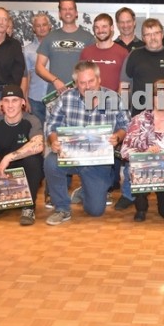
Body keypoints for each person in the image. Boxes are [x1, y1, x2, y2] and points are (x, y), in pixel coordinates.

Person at [45, 61, 130, 225]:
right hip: (70, 156)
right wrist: (54, 141)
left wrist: (118, 137)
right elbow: (52, 125)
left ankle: (85, 191)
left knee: (95, 211)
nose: (87, 86)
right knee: (51, 162)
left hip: (98, 161)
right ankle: (62, 208)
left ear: (99, 79)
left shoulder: (114, 98)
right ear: (76, 83)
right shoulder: (65, 98)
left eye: (91, 81)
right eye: (82, 83)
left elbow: (125, 125)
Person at [120, 79, 164, 222]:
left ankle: (163, 193)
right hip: (143, 173)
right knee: (138, 169)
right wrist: (144, 152)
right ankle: (141, 205)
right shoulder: (139, 120)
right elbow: (124, 150)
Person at [0, 85, 44, 226]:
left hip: (28, 171)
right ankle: (10, 202)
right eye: (6, 101)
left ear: (23, 102)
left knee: (33, 160)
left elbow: (38, 144)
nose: (10, 105)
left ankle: (28, 207)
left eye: (14, 100)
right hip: (5, 173)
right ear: (1, 104)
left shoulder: (32, 121)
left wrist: (9, 157)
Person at [36, 0, 95, 96]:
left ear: (76, 13)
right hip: (55, 95)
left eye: (70, 9)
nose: (67, 12)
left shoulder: (88, 38)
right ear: (59, 14)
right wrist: (55, 80)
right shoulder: (50, 37)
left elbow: (94, 68)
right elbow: (39, 67)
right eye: (64, 9)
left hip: (81, 94)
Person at [80, 13, 129, 92]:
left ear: (111, 28)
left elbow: (125, 83)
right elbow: (80, 79)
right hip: (90, 98)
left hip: (113, 98)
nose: (100, 31)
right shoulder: (86, 52)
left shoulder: (123, 53)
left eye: (104, 27)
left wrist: (119, 98)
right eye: (97, 27)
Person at [23, 13, 52, 125]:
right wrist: (26, 100)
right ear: (34, 29)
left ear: (49, 26)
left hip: (55, 98)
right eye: (38, 26)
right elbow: (26, 76)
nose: (42, 28)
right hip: (34, 100)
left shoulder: (57, 47)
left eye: (44, 25)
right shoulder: (27, 50)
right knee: (37, 132)